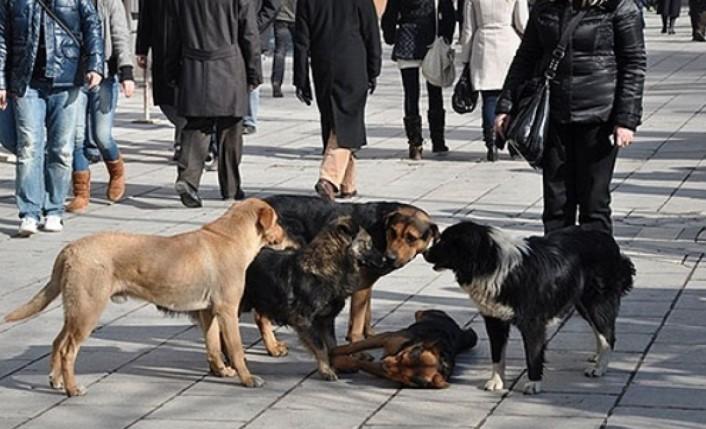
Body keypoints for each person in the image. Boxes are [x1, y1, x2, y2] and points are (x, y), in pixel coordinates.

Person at [495, 0, 646, 236]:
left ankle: (597, 269)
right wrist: (505, 106)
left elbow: (633, 63)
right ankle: (559, 268)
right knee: (556, 203)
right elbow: (525, 58)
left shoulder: (619, 7)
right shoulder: (546, 7)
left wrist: (626, 119)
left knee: (594, 204)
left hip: (599, 118)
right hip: (554, 115)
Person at [0, 0, 104, 236]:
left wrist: (96, 65)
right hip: (26, 82)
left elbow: (92, 25)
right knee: (28, 147)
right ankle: (29, 212)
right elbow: (2, 36)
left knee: (62, 149)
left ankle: (54, 209)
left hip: (66, 79)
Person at [165, 0, 261, 208]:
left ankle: (188, 179)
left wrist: (171, 69)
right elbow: (249, 32)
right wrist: (254, 71)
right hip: (229, 64)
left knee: (196, 126)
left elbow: (172, 34)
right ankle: (231, 188)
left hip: (194, 64)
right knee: (230, 128)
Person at [294, 0, 382, 201]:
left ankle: (347, 184)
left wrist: (301, 78)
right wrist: (374, 67)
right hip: (353, 63)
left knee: (334, 121)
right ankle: (329, 178)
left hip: (323, 64)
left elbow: (301, 39)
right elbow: (370, 30)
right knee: (346, 123)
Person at [66, 0, 135, 214]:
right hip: (73, 75)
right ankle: (81, 192)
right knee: (76, 136)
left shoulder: (110, 3)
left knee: (101, 135)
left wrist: (126, 72)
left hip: (104, 75)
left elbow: (121, 36)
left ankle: (116, 171)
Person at [381, 0, 455, 160]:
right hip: (431, 41)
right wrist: (446, 37)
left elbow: (390, 14)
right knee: (435, 91)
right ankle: (438, 140)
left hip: (406, 40)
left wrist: (390, 37)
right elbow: (448, 13)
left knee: (411, 94)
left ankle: (415, 144)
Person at [459, 0, 528, 161]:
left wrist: (465, 58)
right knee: (513, 99)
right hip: (508, 44)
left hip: (483, 45)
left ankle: (491, 144)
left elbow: (468, 28)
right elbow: (522, 22)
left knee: (489, 99)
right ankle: (514, 144)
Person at [136, 0, 187, 160]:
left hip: (188, 50)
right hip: (162, 49)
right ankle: (186, 135)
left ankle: (184, 143)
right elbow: (145, 15)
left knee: (185, 99)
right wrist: (141, 49)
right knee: (165, 99)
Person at [243, 0, 282, 134]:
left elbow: (273, 6)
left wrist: (254, 25)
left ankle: (249, 119)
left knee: (252, 73)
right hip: (232, 33)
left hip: (255, 34)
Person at [271, 0, 297, 98]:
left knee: (280, 51)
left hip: (280, 16)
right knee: (300, 52)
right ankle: (300, 82)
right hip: (296, 16)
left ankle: (276, 82)